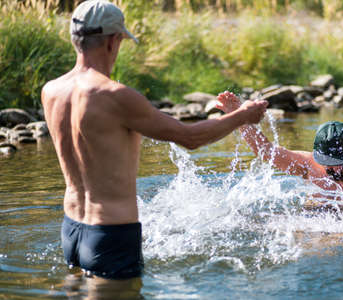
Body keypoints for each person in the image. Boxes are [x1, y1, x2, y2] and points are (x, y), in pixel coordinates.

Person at [41, 0, 268, 280]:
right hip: (111, 234)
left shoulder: (51, 91)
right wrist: (243, 116)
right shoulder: (115, 96)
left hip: (71, 229)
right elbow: (190, 137)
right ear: (113, 41)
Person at [216, 91, 343, 204]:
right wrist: (237, 116)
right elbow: (265, 151)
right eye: (327, 162)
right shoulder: (308, 164)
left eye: (339, 162)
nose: (334, 168)